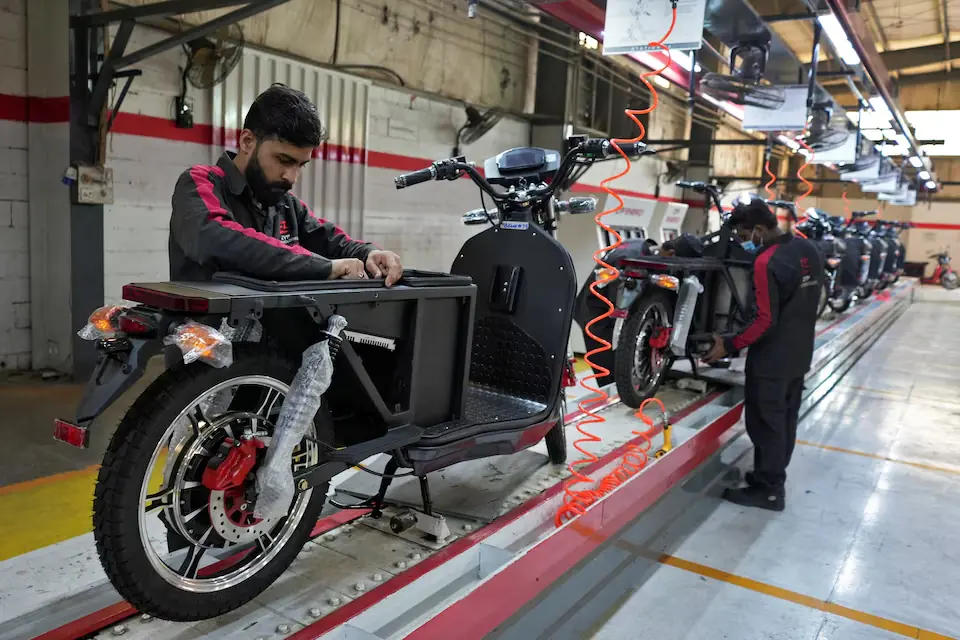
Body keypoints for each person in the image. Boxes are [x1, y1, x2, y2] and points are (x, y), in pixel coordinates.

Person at [168, 83, 402, 285]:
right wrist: (327, 268)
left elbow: (330, 241)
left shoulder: (285, 206)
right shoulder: (199, 183)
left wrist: (370, 253)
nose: (291, 177)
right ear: (247, 141)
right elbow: (216, 240)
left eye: (301, 165)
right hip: (201, 335)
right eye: (284, 160)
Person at [703, 196, 823, 511]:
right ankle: (769, 477)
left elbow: (765, 320)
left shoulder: (766, 261)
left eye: (744, 236)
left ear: (758, 229)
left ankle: (769, 490)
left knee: (765, 424)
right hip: (799, 355)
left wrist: (727, 344)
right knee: (784, 422)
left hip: (771, 360)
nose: (745, 243)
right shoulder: (807, 249)